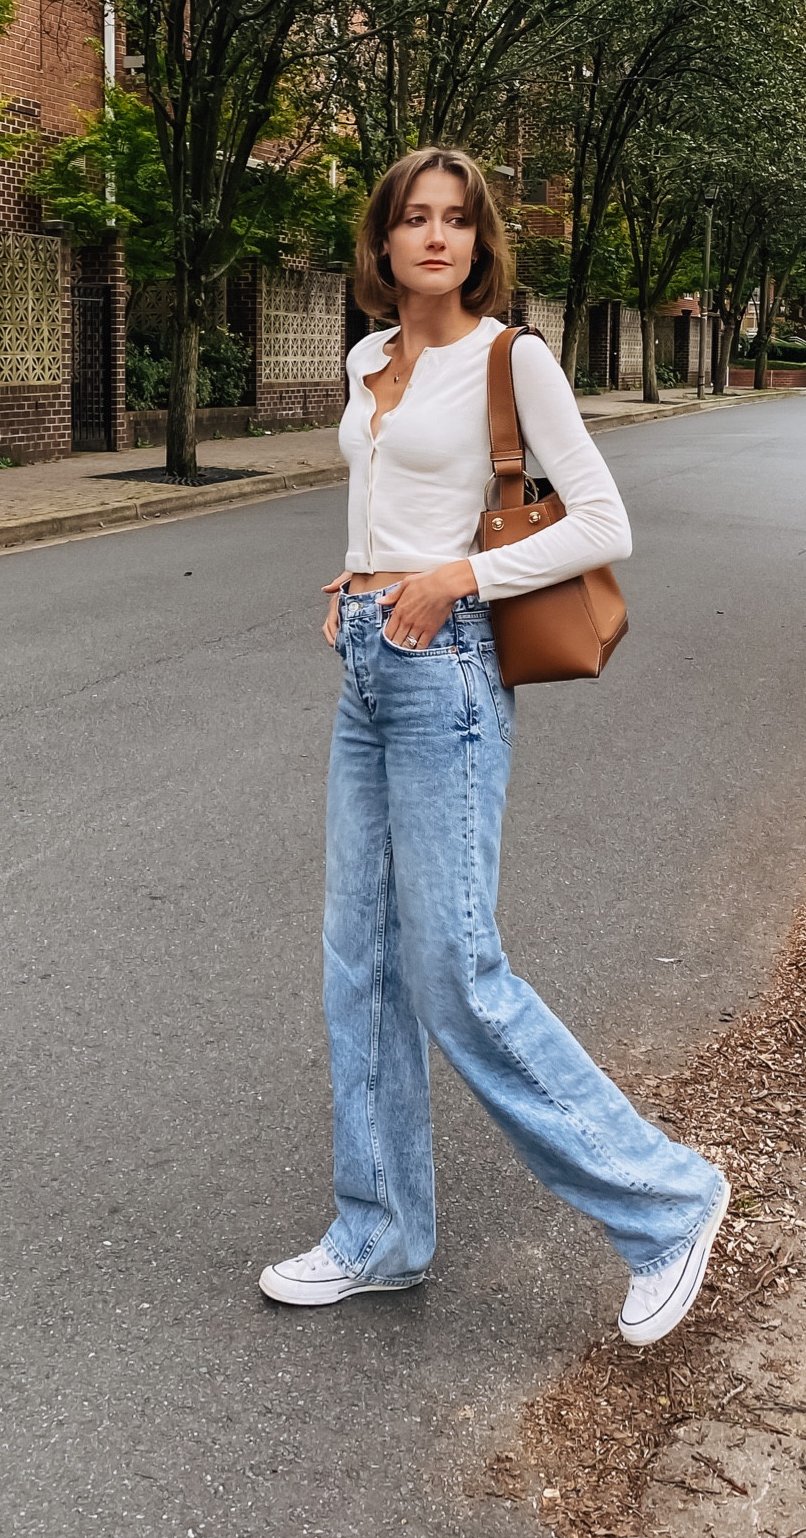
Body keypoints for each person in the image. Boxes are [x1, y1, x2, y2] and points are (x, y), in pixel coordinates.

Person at [259, 147, 728, 1346]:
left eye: (455, 221)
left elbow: (604, 521)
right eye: (413, 217)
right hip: (370, 653)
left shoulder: (512, 357)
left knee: (456, 971)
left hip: (449, 668)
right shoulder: (370, 356)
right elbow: (391, 498)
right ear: (383, 238)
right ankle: (380, 1232)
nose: (434, 237)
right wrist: (360, 577)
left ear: (480, 243)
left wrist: (454, 575)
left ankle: (667, 1201)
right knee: (355, 958)